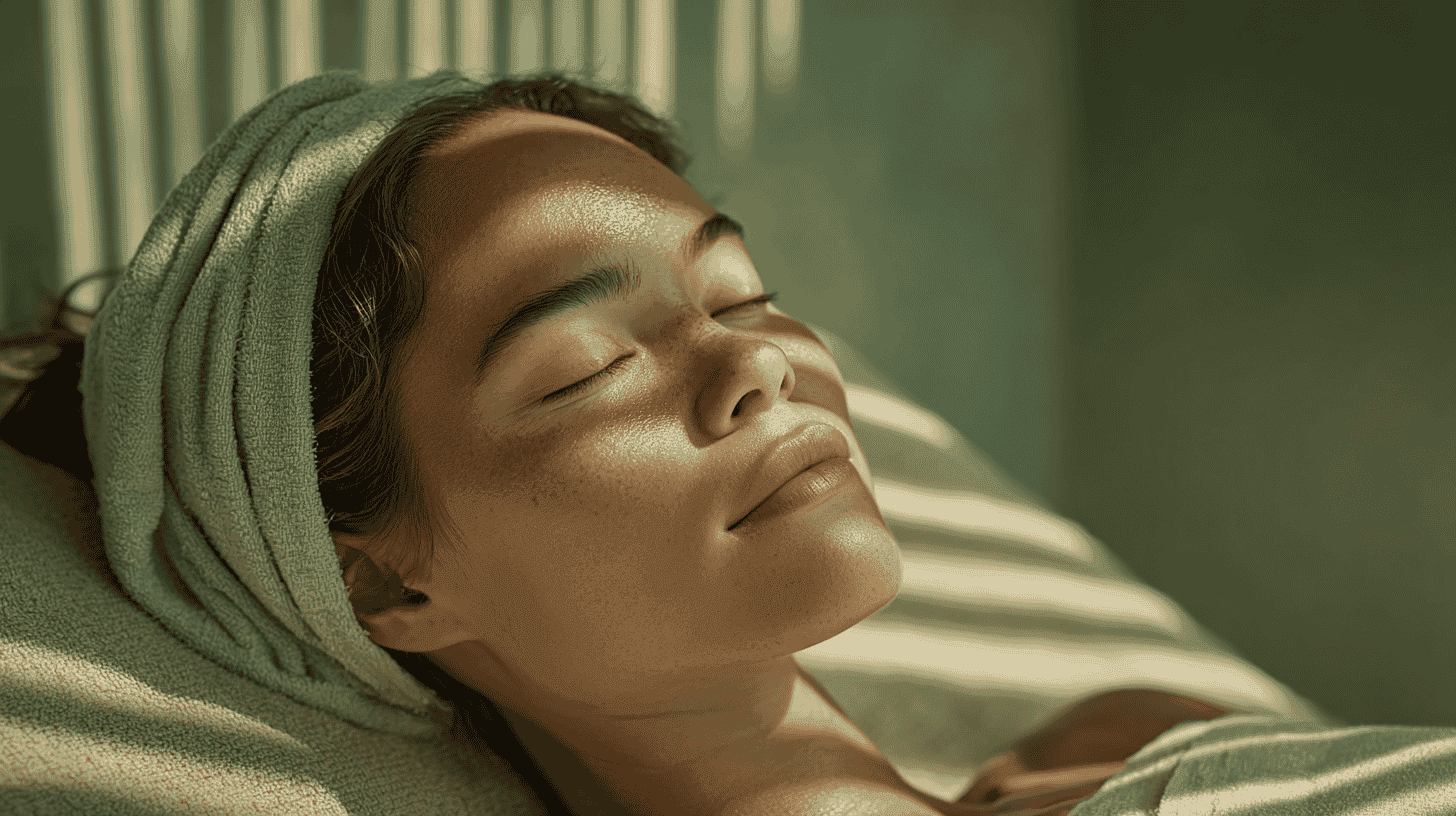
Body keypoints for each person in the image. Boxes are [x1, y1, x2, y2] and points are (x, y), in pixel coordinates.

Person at [0, 71, 1231, 816]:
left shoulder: (1128, 735)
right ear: (382, 576)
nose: (759, 361)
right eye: (588, 367)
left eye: (740, 293)